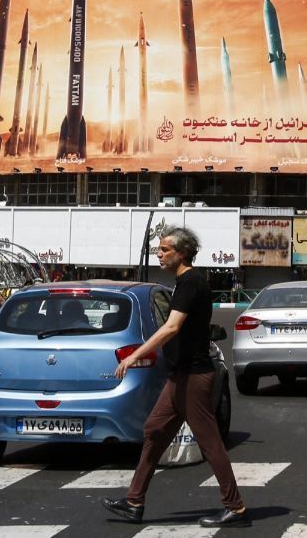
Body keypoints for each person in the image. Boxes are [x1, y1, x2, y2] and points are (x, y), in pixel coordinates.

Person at [102, 226, 250, 529]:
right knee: (154, 431)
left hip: (194, 377)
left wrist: (133, 356)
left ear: (182, 253)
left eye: (165, 249)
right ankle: (134, 502)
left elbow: (171, 327)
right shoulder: (184, 282)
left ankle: (234, 507)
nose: (160, 253)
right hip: (179, 376)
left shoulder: (191, 282)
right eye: (159, 248)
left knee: (210, 442)